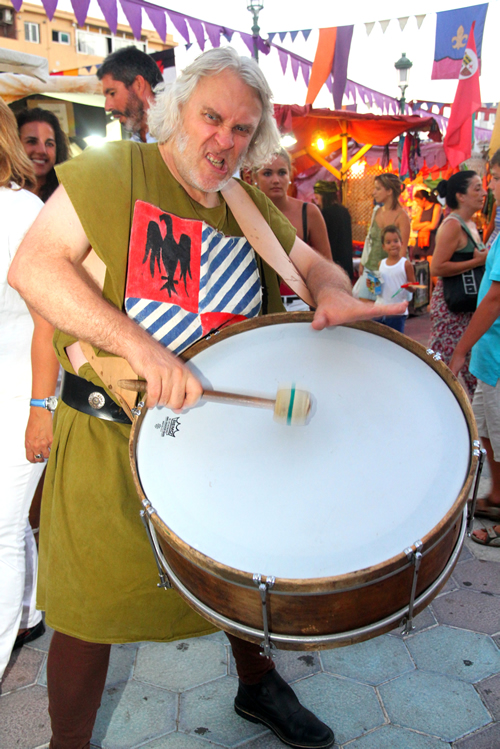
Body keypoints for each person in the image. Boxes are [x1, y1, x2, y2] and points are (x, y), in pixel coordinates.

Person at [9, 47, 406, 748]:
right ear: (177, 109)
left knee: (236, 579)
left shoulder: (246, 204)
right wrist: (137, 345)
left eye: (242, 129)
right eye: (212, 117)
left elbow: (309, 263)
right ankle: (65, 743)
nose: (224, 140)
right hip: (109, 438)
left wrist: (335, 291)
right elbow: (34, 267)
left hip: (215, 436)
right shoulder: (111, 173)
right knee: (86, 612)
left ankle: (258, 689)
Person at [0, 99, 59, 681]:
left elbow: (48, 316)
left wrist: (41, 408)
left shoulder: (21, 208)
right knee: (9, 524)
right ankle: (29, 609)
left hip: (23, 391)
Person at [449, 151, 500, 544]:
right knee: (487, 427)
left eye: (495, 179)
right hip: (490, 352)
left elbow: (496, 298)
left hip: (493, 351)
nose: (491, 188)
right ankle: (496, 494)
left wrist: (461, 349)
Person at [430, 172, 487, 400]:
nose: (483, 193)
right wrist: (477, 261)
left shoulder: (470, 223)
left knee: (471, 368)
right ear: (460, 196)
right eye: (476, 188)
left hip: (467, 309)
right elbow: (437, 267)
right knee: (445, 367)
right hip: (452, 310)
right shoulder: (453, 225)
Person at [254, 149, 331, 260]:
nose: (276, 180)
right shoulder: (246, 212)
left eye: (282, 173)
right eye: (267, 173)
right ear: (255, 178)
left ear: (290, 175)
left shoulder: (309, 213)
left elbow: (327, 267)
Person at [357, 173, 411, 301]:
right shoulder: (376, 212)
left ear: (389, 191)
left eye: (378, 188)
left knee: (386, 310)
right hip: (372, 269)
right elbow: (370, 240)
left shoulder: (402, 217)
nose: (373, 192)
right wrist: (363, 262)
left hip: (389, 273)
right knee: (367, 307)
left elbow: (402, 251)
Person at [97, 46, 164, 143]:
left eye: (112, 93)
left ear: (138, 85)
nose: (107, 107)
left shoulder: (182, 138)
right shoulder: (130, 149)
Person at [16, 107, 70, 203]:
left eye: (49, 144)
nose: (42, 151)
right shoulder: (4, 193)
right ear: (14, 145)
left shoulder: (68, 196)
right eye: (32, 142)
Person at [375, 225, 416, 333]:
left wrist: (409, 286)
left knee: (395, 341)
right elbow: (376, 289)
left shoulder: (406, 265)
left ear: (401, 243)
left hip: (397, 312)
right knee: (378, 340)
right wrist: (373, 284)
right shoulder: (381, 264)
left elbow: (414, 287)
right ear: (383, 246)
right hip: (380, 310)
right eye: (388, 242)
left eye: (395, 241)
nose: (392, 245)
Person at [313, 180, 354, 281]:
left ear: (324, 196)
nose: (317, 201)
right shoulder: (344, 212)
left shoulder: (325, 214)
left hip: (332, 264)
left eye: (318, 198)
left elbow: (327, 242)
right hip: (346, 263)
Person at [411, 189, 442, 261]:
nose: (417, 204)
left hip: (433, 239)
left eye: (418, 201)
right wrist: (426, 223)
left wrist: (421, 227)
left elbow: (433, 225)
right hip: (422, 240)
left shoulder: (436, 207)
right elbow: (414, 226)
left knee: (431, 261)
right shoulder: (421, 210)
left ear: (424, 199)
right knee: (422, 264)